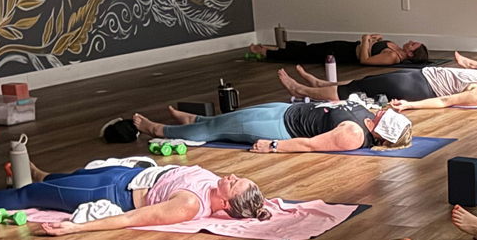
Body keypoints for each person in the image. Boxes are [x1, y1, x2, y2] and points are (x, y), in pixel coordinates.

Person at [0, 161, 270, 236]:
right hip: (126, 175)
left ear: (225, 205)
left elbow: (130, 219)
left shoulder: (189, 205)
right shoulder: (214, 184)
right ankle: (45, 175)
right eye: (237, 177)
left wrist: (75, 228)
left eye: (234, 184)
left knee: (30, 195)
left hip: (112, 192)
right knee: (70, 176)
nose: (231, 176)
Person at [131, 97, 414, 153]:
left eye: (385, 119)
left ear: (382, 132)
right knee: (229, 118)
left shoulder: (354, 135)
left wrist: (273, 146)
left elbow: (310, 145)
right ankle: (194, 120)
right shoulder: (368, 114)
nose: (383, 113)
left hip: (283, 129)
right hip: (288, 110)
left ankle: (158, 130)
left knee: (217, 131)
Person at [274, 65, 477, 110]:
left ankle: (302, 91)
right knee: (364, 82)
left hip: (418, 86)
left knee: (356, 90)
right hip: (419, 76)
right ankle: (320, 84)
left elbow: (445, 101)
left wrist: (410, 105)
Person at [249, 34, 429, 67]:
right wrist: (375, 40)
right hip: (348, 46)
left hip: (345, 54)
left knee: (307, 54)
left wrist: (365, 40)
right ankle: (274, 49)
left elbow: (365, 60)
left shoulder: (392, 57)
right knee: (311, 48)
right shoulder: (395, 48)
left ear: (410, 54)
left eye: (413, 44)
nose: (410, 41)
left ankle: (268, 53)